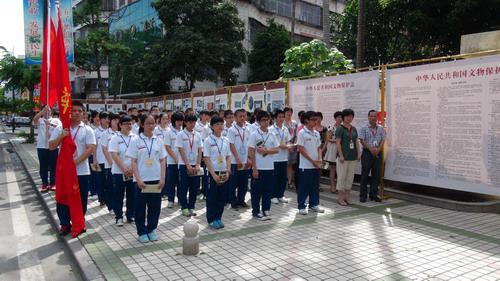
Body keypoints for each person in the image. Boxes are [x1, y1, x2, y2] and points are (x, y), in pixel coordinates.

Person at [49, 101, 96, 236]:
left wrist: (76, 162)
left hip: (81, 171)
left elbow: (90, 149)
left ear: (83, 113)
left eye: (79, 111)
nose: (76, 113)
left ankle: (79, 222)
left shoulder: (87, 129)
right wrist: (61, 136)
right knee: (63, 197)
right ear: (68, 113)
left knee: (81, 198)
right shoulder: (61, 128)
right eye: (73, 111)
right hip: (64, 172)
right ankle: (64, 224)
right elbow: (51, 146)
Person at [126, 114, 166, 243]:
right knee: (140, 207)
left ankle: (151, 229)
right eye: (148, 123)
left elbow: (162, 161)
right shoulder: (135, 141)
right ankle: (142, 231)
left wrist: (162, 178)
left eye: (153, 123)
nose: (151, 126)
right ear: (142, 124)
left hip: (155, 179)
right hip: (141, 180)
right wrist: (137, 179)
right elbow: (133, 162)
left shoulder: (158, 140)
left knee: (155, 207)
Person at [248, 110, 279, 221]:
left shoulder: (272, 134)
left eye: (267, 120)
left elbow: (277, 149)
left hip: (269, 167)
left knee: (268, 190)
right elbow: (251, 152)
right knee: (256, 191)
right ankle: (256, 211)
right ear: (258, 121)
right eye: (263, 120)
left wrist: (266, 151)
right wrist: (254, 168)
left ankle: (266, 209)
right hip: (258, 167)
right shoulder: (254, 134)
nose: (266, 122)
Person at [203, 116, 231, 229]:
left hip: (223, 172)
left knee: (222, 197)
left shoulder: (226, 140)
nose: (220, 126)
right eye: (217, 124)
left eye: (221, 123)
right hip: (212, 173)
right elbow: (206, 159)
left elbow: (228, 157)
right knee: (212, 197)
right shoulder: (208, 140)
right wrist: (213, 174)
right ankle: (211, 219)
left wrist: (228, 170)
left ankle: (218, 217)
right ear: (212, 127)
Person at [108, 115, 136, 226]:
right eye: (126, 124)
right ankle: (118, 216)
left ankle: (130, 215)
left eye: (130, 124)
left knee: (132, 194)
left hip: (132, 171)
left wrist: (132, 169)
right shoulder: (115, 138)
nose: (129, 126)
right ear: (120, 125)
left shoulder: (135, 137)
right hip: (119, 172)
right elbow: (114, 154)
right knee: (118, 195)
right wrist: (124, 169)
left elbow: (137, 154)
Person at [296, 111, 325, 215]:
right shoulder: (302, 133)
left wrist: (320, 159)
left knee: (315, 186)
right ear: (306, 120)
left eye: (316, 119)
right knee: (304, 186)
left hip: (316, 165)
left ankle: (314, 204)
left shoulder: (317, 133)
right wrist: (312, 161)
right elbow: (301, 149)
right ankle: (301, 206)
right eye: (313, 119)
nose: (315, 121)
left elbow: (319, 148)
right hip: (306, 165)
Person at [176, 114, 203, 217]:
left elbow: (200, 149)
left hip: (195, 164)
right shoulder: (181, 134)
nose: (192, 124)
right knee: (183, 187)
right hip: (184, 164)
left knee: (194, 187)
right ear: (185, 123)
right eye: (190, 122)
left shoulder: (198, 135)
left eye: (194, 122)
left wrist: (198, 164)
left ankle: (192, 206)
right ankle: (184, 207)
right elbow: (180, 150)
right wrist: (187, 165)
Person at [359, 110, 385, 203]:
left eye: (375, 116)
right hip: (367, 153)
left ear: (377, 117)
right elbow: (362, 140)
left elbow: (383, 139)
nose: (373, 118)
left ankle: (373, 194)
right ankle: (363, 195)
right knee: (365, 174)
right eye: (371, 116)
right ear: (368, 117)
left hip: (378, 153)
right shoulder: (364, 128)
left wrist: (378, 149)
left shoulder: (381, 128)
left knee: (376, 175)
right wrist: (370, 149)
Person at [33, 106, 61, 192]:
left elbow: (60, 128)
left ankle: (53, 183)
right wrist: (42, 112)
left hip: (53, 146)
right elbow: (34, 120)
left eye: (48, 111)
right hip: (42, 146)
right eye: (45, 111)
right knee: (43, 165)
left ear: (51, 112)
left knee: (53, 165)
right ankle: (44, 183)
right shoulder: (40, 120)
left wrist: (50, 124)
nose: (47, 112)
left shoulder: (56, 120)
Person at [227, 109, 251, 209]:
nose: (242, 118)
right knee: (233, 183)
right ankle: (233, 202)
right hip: (234, 161)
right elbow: (231, 144)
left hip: (245, 161)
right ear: (235, 117)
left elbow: (249, 144)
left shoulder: (247, 129)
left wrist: (249, 158)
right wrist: (237, 158)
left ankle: (241, 200)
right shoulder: (231, 130)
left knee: (244, 182)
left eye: (244, 116)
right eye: (240, 116)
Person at [335, 109, 360, 206]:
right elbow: (337, 143)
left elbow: (356, 142)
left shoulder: (353, 128)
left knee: (350, 178)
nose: (349, 118)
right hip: (343, 158)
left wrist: (358, 153)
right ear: (343, 117)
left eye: (351, 116)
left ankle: (347, 196)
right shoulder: (340, 128)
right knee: (341, 177)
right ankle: (340, 198)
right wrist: (341, 155)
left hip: (352, 157)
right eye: (347, 116)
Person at [100, 113, 120, 213]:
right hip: (110, 165)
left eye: (118, 120)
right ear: (110, 121)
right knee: (111, 186)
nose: (116, 122)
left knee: (119, 188)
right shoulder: (106, 133)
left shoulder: (121, 132)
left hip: (121, 165)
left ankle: (117, 207)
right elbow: (104, 149)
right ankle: (111, 206)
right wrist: (112, 163)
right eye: (114, 120)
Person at [271, 109, 291, 204]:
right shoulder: (271, 129)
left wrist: (290, 146)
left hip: (284, 157)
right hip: (274, 158)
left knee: (282, 178)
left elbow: (288, 141)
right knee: (274, 178)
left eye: (283, 117)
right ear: (275, 118)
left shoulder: (285, 129)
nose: (281, 119)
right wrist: (282, 146)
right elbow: (272, 144)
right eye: (279, 117)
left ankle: (280, 195)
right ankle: (273, 195)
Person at [164, 112, 184, 208]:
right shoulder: (169, 132)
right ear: (173, 121)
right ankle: (170, 199)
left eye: (181, 121)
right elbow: (167, 147)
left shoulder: (183, 132)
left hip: (183, 161)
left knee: (181, 182)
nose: (180, 123)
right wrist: (176, 158)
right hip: (172, 162)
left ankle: (181, 199)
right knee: (171, 181)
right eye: (178, 121)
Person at [94, 112, 110, 209]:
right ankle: (101, 199)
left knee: (108, 182)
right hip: (99, 160)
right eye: (104, 118)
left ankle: (108, 199)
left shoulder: (110, 131)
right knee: (100, 180)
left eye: (108, 118)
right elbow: (94, 147)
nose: (106, 120)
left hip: (109, 161)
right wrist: (95, 159)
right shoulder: (96, 132)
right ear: (100, 120)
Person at [324, 111, 343, 193]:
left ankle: (340, 187)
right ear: (335, 118)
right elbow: (328, 139)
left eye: (341, 117)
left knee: (341, 170)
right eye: (338, 117)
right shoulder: (331, 127)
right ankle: (332, 186)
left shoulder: (344, 127)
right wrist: (337, 141)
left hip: (341, 149)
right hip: (333, 149)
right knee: (332, 169)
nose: (340, 119)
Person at [284, 107, 298, 189]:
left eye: (290, 113)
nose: (289, 114)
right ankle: (283, 181)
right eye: (287, 113)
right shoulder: (282, 123)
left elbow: (296, 135)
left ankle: (289, 182)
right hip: (285, 147)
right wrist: (288, 146)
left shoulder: (294, 123)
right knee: (284, 165)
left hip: (293, 146)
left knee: (290, 165)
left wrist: (294, 145)